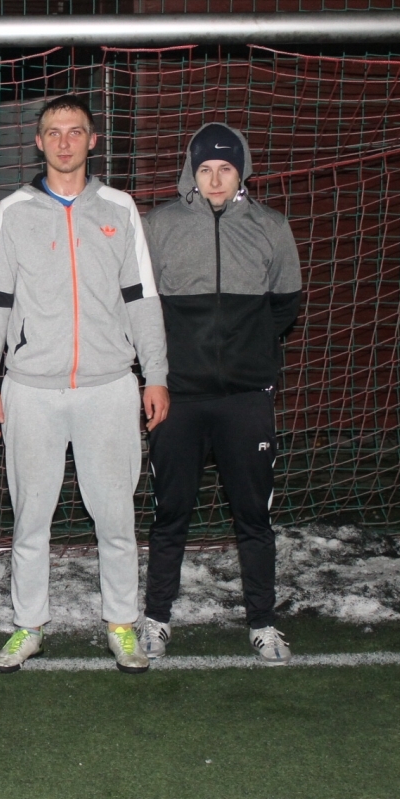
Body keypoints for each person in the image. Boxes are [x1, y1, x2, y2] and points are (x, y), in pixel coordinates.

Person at [0, 94, 169, 674]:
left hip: (109, 387)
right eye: (53, 132)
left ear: (92, 140)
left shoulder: (119, 208)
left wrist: (155, 375)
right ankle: (28, 625)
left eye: (75, 131)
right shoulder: (14, 211)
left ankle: (122, 625)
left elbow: (142, 298)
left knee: (116, 518)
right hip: (30, 387)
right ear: (38, 142)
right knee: (31, 518)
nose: (64, 142)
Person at [137, 122, 302, 665]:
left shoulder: (271, 226)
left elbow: (286, 303)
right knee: (170, 513)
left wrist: (247, 350)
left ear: (241, 172)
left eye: (225, 169)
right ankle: (156, 618)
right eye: (205, 169)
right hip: (178, 397)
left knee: (254, 516)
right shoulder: (159, 226)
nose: (214, 179)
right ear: (191, 171)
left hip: (245, 398)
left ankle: (263, 623)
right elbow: (141, 304)